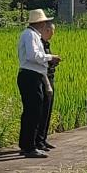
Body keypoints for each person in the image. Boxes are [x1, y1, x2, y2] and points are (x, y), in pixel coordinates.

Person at [17, 9, 60, 158]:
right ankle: (29, 147)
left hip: (33, 75)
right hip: (30, 75)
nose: (45, 25)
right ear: (40, 23)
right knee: (32, 111)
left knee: (34, 110)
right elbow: (32, 55)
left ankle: (29, 144)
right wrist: (50, 57)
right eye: (44, 22)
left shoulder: (32, 34)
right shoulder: (30, 35)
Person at [35, 20, 58, 152]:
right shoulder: (39, 44)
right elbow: (39, 61)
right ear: (46, 30)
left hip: (49, 76)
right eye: (51, 32)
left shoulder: (46, 44)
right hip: (43, 78)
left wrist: (53, 63)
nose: (52, 35)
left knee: (48, 110)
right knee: (41, 110)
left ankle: (43, 139)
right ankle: (38, 141)